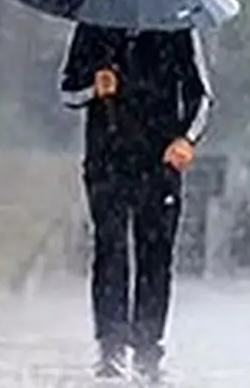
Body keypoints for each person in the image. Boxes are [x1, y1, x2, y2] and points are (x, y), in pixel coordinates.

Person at [59, 23, 213, 382]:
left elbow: (200, 94)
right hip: (107, 159)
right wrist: (92, 88)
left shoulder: (177, 27)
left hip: (160, 160)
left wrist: (186, 139)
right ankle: (110, 345)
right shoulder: (94, 26)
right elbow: (67, 90)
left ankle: (148, 349)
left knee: (155, 255)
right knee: (109, 247)